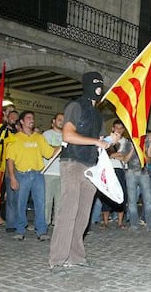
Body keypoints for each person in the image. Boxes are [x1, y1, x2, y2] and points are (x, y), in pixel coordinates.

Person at [49, 71, 115, 270]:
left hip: (91, 166)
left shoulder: (98, 115)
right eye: (95, 84)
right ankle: (57, 259)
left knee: (83, 214)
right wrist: (96, 141)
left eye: (100, 84)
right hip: (73, 162)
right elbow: (68, 135)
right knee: (68, 210)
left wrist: (112, 140)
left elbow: (101, 143)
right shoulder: (75, 106)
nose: (98, 88)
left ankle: (75, 257)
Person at [7, 110, 59, 241]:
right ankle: (20, 229)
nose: (32, 120)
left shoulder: (39, 137)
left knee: (40, 203)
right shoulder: (15, 139)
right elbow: (10, 160)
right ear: (22, 121)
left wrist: (63, 145)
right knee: (20, 204)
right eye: (28, 118)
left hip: (38, 175)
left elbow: (50, 153)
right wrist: (12, 178)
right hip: (22, 175)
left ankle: (41, 230)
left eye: (33, 118)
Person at [125, 136, 151, 231]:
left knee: (149, 200)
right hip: (131, 173)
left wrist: (142, 149)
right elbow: (125, 160)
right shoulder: (127, 143)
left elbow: (149, 160)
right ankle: (134, 225)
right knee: (132, 201)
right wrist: (132, 149)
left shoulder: (147, 143)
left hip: (144, 173)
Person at [101, 119, 129, 229]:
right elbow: (105, 154)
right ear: (113, 128)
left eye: (121, 128)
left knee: (121, 193)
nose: (119, 130)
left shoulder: (126, 142)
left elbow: (124, 157)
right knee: (107, 193)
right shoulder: (107, 140)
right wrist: (117, 155)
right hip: (108, 169)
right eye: (117, 128)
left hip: (120, 169)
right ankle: (106, 222)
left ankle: (120, 222)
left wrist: (115, 154)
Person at [42, 112, 64, 226]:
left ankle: (58, 223)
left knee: (60, 201)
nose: (62, 121)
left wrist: (57, 150)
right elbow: (48, 151)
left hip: (62, 173)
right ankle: (45, 223)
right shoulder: (46, 134)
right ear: (53, 122)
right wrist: (61, 149)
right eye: (59, 119)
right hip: (48, 171)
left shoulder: (67, 135)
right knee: (47, 200)